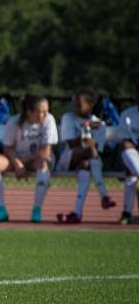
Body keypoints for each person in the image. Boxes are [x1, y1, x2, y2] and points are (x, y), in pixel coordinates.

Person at [0, 94, 57, 223]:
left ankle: (37, 210)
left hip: (36, 159)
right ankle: (1, 210)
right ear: (29, 112)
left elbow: (45, 152)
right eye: (40, 112)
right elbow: (7, 148)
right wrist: (17, 164)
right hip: (15, 159)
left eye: (46, 111)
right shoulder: (13, 122)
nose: (44, 115)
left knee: (43, 165)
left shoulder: (49, 120)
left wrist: (21, 163)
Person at [55, 91, 116, 224]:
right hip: (68, 159)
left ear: (90, 105)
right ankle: (104, 195)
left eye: (79, 105)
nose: (75, 107)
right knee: (89, 152)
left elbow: (97, 148)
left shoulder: (98, 123)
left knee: (86, 166)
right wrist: (85, 135)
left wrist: (89, 136)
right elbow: (71, 143)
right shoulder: (68, 118)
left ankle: (77, 213)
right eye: (74, 104)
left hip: (89, 161)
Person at [114, 82, 139, 224]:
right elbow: (124, 142)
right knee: (128, 151)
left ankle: (127, 213)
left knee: (132, 174)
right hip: (133, 155)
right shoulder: (127, 115)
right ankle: (127, 213)